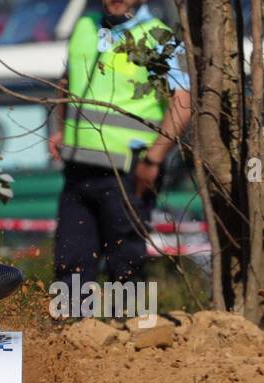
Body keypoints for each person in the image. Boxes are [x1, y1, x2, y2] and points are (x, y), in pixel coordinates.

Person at [48, 0, 192, 292]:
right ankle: (69, 333)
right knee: (70, 262)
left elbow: (183, 102)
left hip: (128, 171)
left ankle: (129, 330)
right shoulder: (84, 27)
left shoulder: (158, 37)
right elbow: (69, 81)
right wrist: (61, 130)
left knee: (126, 264)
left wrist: (153, 160)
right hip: (78, 167)